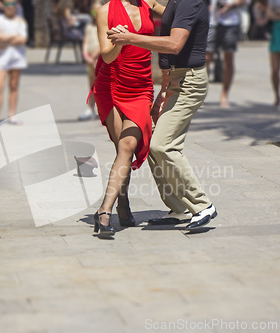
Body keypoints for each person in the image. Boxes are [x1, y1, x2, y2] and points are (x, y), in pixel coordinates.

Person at [108, 0, 218, 230]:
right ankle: (178, 208)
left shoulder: (190, 2)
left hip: (189, 83)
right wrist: (164, 89)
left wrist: (130, 37)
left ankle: (202, 204)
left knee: (163, 146)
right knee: (152, 145)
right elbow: (155, 14)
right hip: (176, 81)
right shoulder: (174, 2)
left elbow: (175, 44)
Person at [92, 0, 165, 236]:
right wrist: (120, 42)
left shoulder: (149, 5)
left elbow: (180, 15)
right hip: (111, 85)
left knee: (128, 144)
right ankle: (115, 208)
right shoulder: (105, 11)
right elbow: (107, 55)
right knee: (122, 147)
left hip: (141, 86)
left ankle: (108, 208)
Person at [206, 0, 249, 107]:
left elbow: (245, 1)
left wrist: (232, 4)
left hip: (230, 23)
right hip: (212, 21)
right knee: (205, 59)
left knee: (228, 60)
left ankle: (224, 95)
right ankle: (202, 95)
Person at [77, 0, 101, 121]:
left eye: (98, 10)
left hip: (99, 59)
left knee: (100, 85)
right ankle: (90, 108)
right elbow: (85, 42)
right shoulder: (90, 26)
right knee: (91, 85)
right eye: (93, 10)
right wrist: (86, 55)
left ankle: (102, 109)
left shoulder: (103, 26)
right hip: (90, 60)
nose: (95, 13)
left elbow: (103, 44)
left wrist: (94, 56)